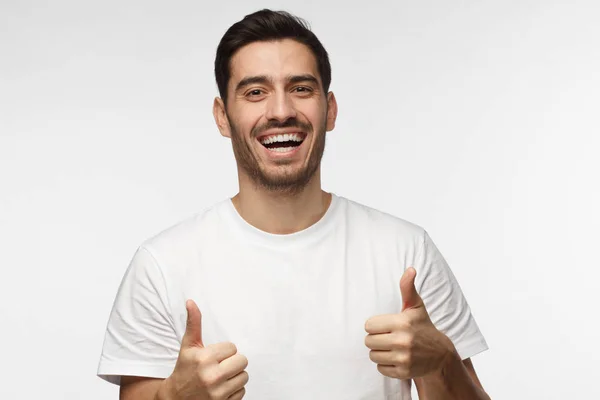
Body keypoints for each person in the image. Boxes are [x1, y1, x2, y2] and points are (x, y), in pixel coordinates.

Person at [97, 9, 490, 400]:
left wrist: (442, 362)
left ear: (330, 109)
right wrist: (174, 399)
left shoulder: (407, 251)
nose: (281, 111)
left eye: (301, 88)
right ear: (222, 117)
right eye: (255, 92)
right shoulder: (162, 265)